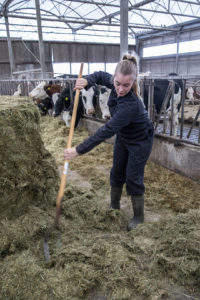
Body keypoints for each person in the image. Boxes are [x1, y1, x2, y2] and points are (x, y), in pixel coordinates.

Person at [64, 53, 154, 231]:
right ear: (114, 79)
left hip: (140, 141)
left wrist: (78, 150)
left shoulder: (131, 105)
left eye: (126, 85)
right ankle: (114, 206)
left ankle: (138, 217)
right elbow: (98, 74)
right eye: (117, 84)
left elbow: (106, 130)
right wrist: (87, 81)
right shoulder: (113, 81)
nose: (120, 89)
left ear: (133, 82)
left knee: (132, 177)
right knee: (117, 171)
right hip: (124, 136)